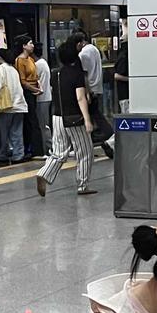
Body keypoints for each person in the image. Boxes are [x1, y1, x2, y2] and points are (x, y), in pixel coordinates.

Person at [35, 37, 96, 198]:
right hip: (74, 118)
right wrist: (87, 119)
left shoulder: (55, 73)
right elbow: (80, 98)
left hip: (57, 117)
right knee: (85, 152)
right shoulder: (76, 74)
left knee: (59, 152)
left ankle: (44, 173)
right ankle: (82, 185)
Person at [75, 29, 115, 158]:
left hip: (89, 89)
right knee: (95, 115)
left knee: (93, 116)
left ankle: (109, 136)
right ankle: (104, 138)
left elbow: (84, 74)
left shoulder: (83, 54)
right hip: (96, 87)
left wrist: (86, 91)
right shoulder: (94, 49)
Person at [0, 47, 27, 164]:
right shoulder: (13, 69)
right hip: (20, 105)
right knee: (17, 132)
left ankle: (2, 154)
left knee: (3, 132)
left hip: (7, 106)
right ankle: (18, 155)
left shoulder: (0, 69)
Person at [14, 35, 42, 159]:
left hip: (34, 90)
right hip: (27, 92)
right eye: (30, 43)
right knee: (31, 121)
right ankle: (33, 150)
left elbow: (36, 76)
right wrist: (35, 89)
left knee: (33, 120)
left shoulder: (30, 59)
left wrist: (39, 87)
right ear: (24, 46)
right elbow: (23, 81)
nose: (32, 45)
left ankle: (35, 149)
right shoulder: (19, 61)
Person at [33, 43, 52, 154]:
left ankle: (48, 148)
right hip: (46, 97)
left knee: (43, 125)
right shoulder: (44, 62)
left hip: (41, 98)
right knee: (45, 124)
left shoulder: (37, 65)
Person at [113, 25, 130, 113]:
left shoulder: (122, 54)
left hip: (125, 93)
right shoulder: (124, 56)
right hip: (125, 94)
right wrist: (131, 80)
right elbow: (116, 76)